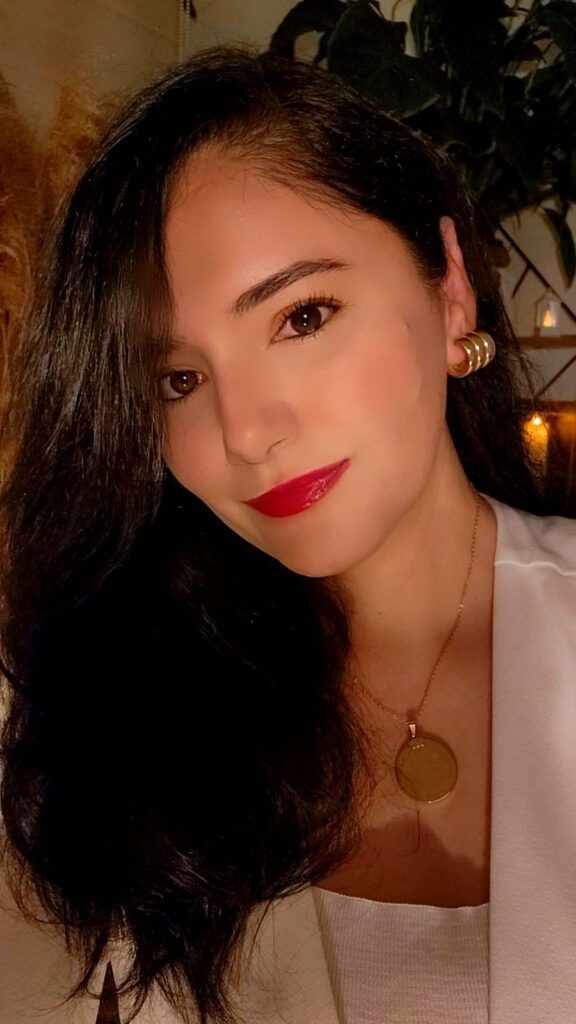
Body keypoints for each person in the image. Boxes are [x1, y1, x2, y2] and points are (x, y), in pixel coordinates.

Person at [0, 45, 574, 1024]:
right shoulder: (120, 715)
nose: (247, 432)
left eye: (303, 316)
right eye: (179, 379)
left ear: (449, 293)